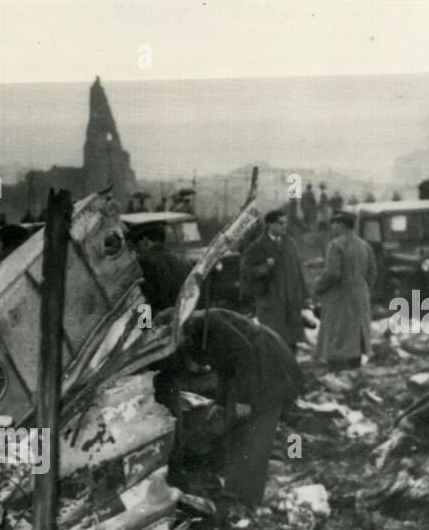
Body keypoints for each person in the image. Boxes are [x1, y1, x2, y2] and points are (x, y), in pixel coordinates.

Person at [158, 308, 304, 506]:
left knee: (255, 428)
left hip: (269, 363)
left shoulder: (205, 324)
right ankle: (235, 491)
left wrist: (244, 402)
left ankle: (244, 499)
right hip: (253, 366)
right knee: (240, 426)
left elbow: (243, 357)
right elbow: (224, 366)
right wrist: (221, 402)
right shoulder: (194, 331)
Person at [313, 209, 376, 370]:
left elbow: (332, 273)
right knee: (356, 335)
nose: (333, 228)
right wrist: (363, 288)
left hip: (340, 295)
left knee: (337, 335)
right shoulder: (365, 245)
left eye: (334, 224)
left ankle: (338, 373)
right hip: (360, 293)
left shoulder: (335, 245)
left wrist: (318, 286)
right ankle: (355, 370)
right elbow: (373, 272)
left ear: (341, 225)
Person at [238, 209, 310, 347]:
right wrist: (266, 267)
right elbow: (246, 272)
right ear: (270, 224)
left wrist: (305, 296)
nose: (284, 226)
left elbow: (298, 272)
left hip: (291, 302)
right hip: (271, 300)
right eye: (280, 223)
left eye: (285, 223)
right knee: (272, 339)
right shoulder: (257, 246)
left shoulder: (290, 244)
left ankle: (290, 365)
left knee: (291, 340)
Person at [129, 221, 191, 314]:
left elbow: (144, 301)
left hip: (159, 322)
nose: (136, 250)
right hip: (182, 319)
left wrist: (144, 326)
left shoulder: (144, 262)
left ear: (145, 241)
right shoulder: (183, 259)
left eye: (136, 244)